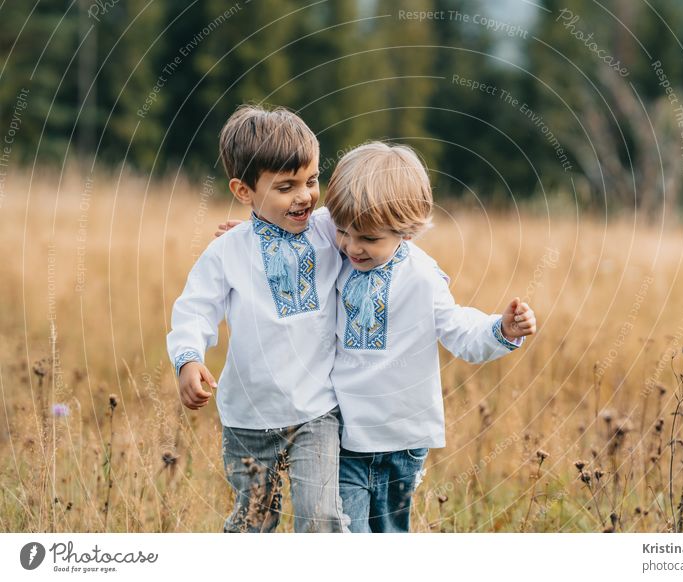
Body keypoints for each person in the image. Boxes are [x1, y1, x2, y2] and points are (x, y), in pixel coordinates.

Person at [325, 142, 536, 532]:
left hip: (402, 439)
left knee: (389, 534)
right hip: (345, 435)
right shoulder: (335, 257)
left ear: (405, 229)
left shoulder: (422, 277)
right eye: (343, 232)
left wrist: (501, 330)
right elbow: (301, 236)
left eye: (368, 239)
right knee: (344, 534)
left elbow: (458, 329)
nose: (352, 246)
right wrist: (254, 236)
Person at [166, 104, 349, 533]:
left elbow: (378, 219)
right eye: (286, 187)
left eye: (311, 180)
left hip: (316, 411)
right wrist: (189, 359)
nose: (305, 196)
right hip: (248, 416)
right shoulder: (229, 251)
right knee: (255, 520)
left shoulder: (328, 231)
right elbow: (195, 309)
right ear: (244, 191)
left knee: (321, 517)